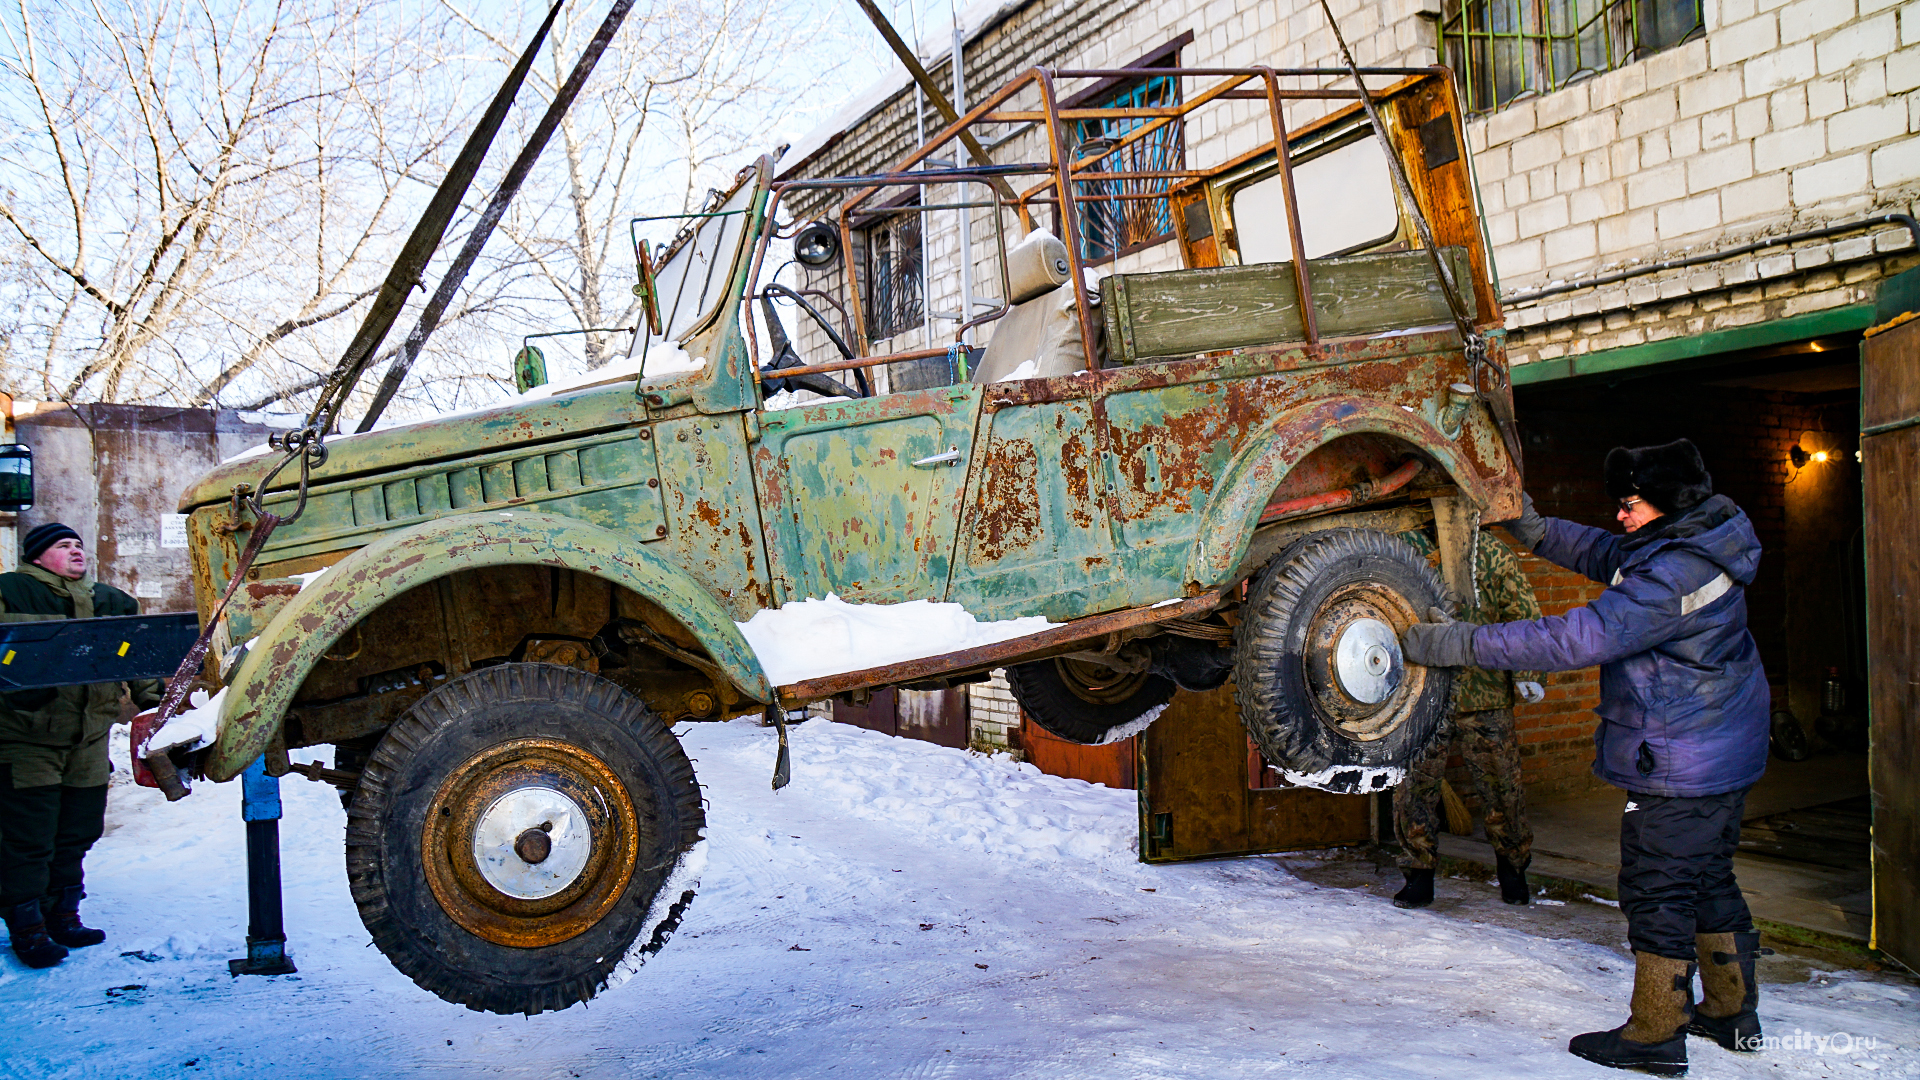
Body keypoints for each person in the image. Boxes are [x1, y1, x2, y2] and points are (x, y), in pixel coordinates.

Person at [1400, 439, 1770, 1075]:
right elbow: (1603, 550)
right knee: (1706, 876)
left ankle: (1656, 1032)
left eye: (1629, 504)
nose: (1620, 517)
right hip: (1717, 748)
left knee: (1658, 886)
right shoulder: (1689, 540)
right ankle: (1731, 1014)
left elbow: (1575, 637)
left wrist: (1456, 642)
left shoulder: (1672, 576)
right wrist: (1532, 526)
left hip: (1686, 756)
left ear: (1666, 503)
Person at [0, 523, 165, 968]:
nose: (76, 551)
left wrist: (158, 705)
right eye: (62, 545)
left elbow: (138, 657)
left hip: (89, 740)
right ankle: (27, 927)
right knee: (28, 837)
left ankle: (63, 914)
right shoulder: (10, 592)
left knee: (78, 831)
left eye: (78, 545)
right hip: (25, 739)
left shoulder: (113, 601)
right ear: (37, 557)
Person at [1390, 524, 1545, 910]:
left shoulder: (1489, 554)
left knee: (1502, 788)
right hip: (1422, 695)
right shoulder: (1402, 548)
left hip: (1485, 693)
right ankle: (1418, 875)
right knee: (1413, 790)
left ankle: (1513, 870)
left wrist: (1529, 672)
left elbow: (1523, 616)